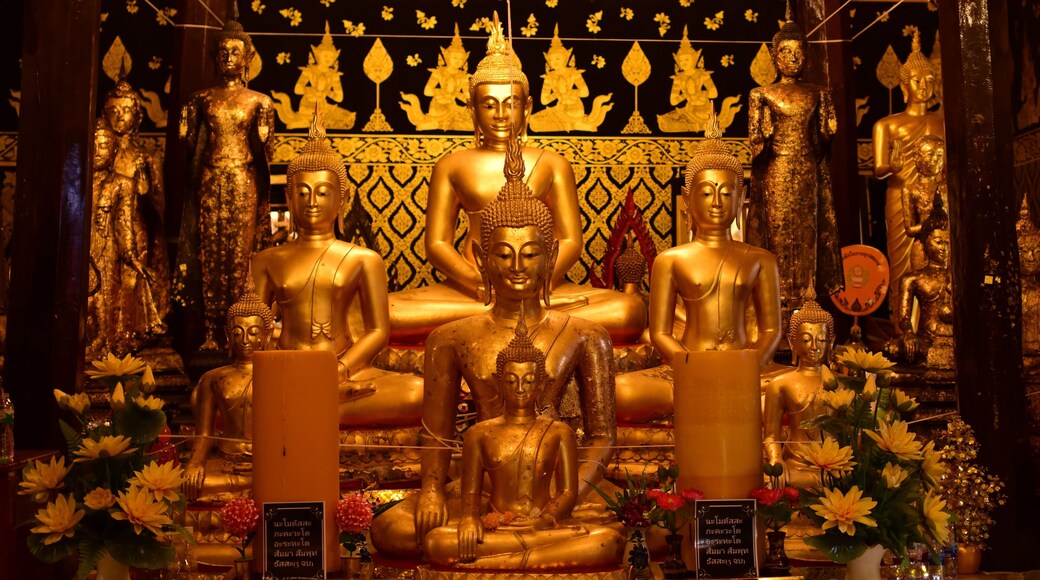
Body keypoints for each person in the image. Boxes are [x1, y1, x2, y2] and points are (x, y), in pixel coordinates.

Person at [371, 130, 617, 559]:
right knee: (392, 529)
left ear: (550, 255)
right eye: (503, 254)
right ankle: (532, 551)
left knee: (633, 532)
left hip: (562, 490)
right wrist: (432, 493)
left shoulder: (586, 335)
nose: (517, 266)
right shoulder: (450, 338)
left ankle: (502, 549)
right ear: (480, 257)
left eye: (530, 253)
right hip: (480, 490)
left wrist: (561, 503)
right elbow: (437, 433)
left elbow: (602, 437)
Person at [387, 12, 645, 345]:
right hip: (473, 291)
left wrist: (536, 285)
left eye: (511, 104)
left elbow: (570, 240)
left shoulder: (552, 164)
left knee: (627, 311)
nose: (500, 114)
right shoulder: (451, 165)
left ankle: (520, 313)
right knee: (389, 312)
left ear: (527, 107)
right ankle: (513, 316)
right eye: (489, 104)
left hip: (542, 288)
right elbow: (437, 244)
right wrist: (481, 284)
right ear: (472, 109)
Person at [251, 108, 422, 427]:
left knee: (417, 392)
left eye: (322, 192)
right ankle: (313, 409)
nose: (312, 201)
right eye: (302, 193)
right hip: (286, 369)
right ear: (288, 198)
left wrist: (339, 370)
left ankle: (306, 412)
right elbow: (255, 327)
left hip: (345, 371)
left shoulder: (363, 259)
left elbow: (377, 332)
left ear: (342, 199)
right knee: (227, 389)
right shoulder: (266, 260)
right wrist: (276, 362)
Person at [614, 107, 782, 423]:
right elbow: (660, 332)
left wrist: (749, 367)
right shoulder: (671, 260)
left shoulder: (760, 260)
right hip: (688, 367)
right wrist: (691, 365)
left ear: (742, 198)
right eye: (706, 193)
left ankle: (718, 401)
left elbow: (771, 330)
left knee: (809, 387)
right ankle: (724, 403)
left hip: (745, 368)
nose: (716, 202)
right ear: (687, 198)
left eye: (727, 193)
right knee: (622, 391)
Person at [423, 314, 624, 570]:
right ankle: (533, 561)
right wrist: (469, 521)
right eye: (511, 381)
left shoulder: (558, 432)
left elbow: (566, 492)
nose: (520, 388)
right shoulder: (479, 434)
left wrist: (544, 520)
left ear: (540, 384)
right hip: (496, 527)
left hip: (543, 527)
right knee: (437, 542)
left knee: (607, 541)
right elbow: (470, 495)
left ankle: (500, 563)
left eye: (529, 381)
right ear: (499, 383)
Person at [177, 5, 275, 350]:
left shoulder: (259, 102)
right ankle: (210, 329)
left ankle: (241, 326)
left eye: (235, 51)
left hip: (244, 178)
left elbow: (267, 151)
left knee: (240, 252)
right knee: (210, 250)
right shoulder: (201, 99)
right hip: (210, 178)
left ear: (247, 57)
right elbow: (191, 144)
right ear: (214, 57)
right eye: (222, 51)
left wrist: (264, 136)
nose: (228, 57)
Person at [746, 5, 842, 333]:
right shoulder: (761, 94)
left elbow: (826, 135)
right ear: (775, 57)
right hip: (776, 169)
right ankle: (777, 308)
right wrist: (763, 135)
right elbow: (755, 141)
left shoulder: (818, 93)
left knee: (807, 235)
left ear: (807, 55)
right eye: (786, 52)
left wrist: (829, 126)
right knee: (776, 232)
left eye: (798, 52)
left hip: (807, 170)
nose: (793, 58)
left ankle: (807, 304)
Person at [873, 30, 945, 321]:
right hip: (901, 194)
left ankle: (937, 323)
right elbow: (879, 170)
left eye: (929, 80)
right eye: (917, 81)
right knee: (903, 262)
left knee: (940, 257)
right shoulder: (886, 125)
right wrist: (892, 165)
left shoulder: (944, 122)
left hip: (937, 198)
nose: (924, 86)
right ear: (905, 85)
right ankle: (902, 326)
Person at [182, 289, 274, 502]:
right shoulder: (212, 378)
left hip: (270, 466)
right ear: (227, 334)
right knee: (189, 484)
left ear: (266, 334)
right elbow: (204, 434)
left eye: (253, 332)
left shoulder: (280, 374)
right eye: (238, 332)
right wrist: (195, 464)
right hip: (228, 465)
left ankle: (243, 497)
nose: (245, 339)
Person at [762, 291, 834, 487]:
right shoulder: (780, 383)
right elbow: (770, 436)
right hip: (797, 466)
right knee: (771, 479)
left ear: (831, 341)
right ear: (792, 341)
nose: (814, 346)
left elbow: (850, 436)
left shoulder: (841, 384)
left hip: (834, 467)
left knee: (854, 478)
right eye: (806, 339)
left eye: (821, 339)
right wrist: (776, 459)